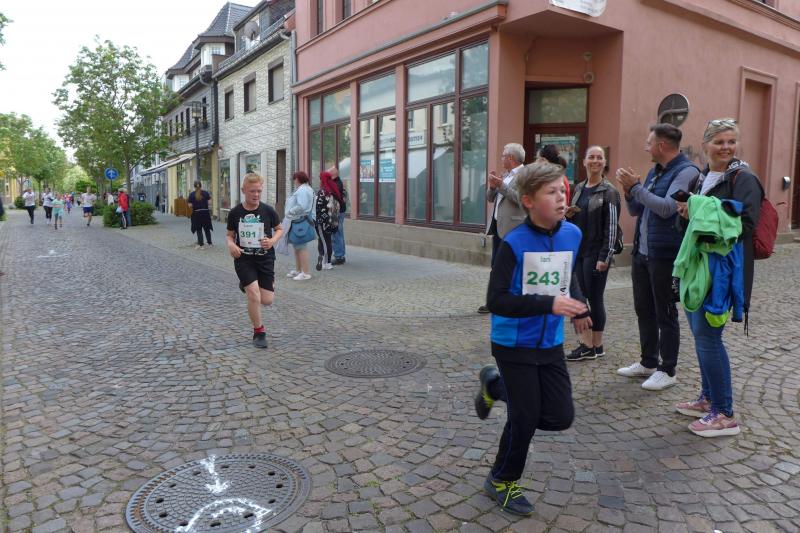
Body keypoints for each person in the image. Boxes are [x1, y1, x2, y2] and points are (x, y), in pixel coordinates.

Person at [473, 162, 591, 516]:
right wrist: (549, 303)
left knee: (560, 415)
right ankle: (501, 480)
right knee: (524, 418)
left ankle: (494, 387)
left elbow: (568, 276)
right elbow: (497, 300)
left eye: (562, 190)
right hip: (513, 343)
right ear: (528, 201)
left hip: (550, 342)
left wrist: (578, 307)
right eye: (551, 192)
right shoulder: (514, 243)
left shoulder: (573, 234)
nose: (561, 197)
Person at [673, 118, 762, 437]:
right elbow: (693, 224)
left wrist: (698, 210)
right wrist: (687, 212)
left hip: (722, 272)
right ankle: (708, 398)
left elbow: (746, 224)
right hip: (699, 268)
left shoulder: (744, 178)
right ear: (705, 144)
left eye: (731, 141)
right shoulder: (702, 177)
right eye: (719, 141)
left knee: (709, 337)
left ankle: (724, 414)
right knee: (701, 336)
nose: (726, 147)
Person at [612, 123, 700, 391]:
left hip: (665, 253)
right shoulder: (655, 171)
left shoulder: (686, 171)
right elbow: (637, 209)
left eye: (649, 143)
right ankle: (648, 361)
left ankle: (668, 369)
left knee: (665, 312)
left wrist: (636, 187)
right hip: (643, 252)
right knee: (644, 309)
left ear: (661, 145)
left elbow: (666, 208)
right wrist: (629, 191)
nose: (646, 148)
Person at [565, 146, 621, 361]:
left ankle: (594, 344)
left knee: (595, 298)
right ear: (584, 161)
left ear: (604, 163)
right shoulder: (579, 188)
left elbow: (612, 227)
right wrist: (568, 214)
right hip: (578, 251)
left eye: (599, 157)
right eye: (591, 157)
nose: (595, 161)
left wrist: (605, 257)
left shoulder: (609, 191)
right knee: (578, 297)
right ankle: (590, 345)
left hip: (596, 253)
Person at [226, 173, 283, 349]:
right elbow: (229, 235)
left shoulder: (268, 211)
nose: (256, 195)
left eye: (259, 191)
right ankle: (259, 332)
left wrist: (272, 241)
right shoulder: (235, 213)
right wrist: (231, 245)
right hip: (243, 258)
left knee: (267, 300)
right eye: (252, 191)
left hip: (265, 258)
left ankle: (248, 285)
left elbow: (279, 229)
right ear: (243, 190)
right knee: (253, 294)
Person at [479, 143, 527, 314]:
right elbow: (491, 198)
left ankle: (510, 299)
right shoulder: (505, 175)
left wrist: (502, 186)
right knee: (495, 266)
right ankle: (492, 301)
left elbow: (522, 199)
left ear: (511, 158)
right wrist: (492, 186)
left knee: (511, 266)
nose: (501, 159)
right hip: (498, 227)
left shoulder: (525, 175)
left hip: (513, 228)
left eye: (503, 156)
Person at [284, 171, 315, 280]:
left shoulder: (303, 190)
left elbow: (302, 206)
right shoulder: (305, 189)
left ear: (297, 179)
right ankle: (298, 270)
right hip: (299, 219)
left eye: (294, 179)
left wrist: (290, 211)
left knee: (301, 247)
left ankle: (305, 273)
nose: (294, 181)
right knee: (297, 246)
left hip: (300, 220)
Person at [315, 171, 341, 271]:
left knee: (323, 241)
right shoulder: (334, 190)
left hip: (323, 222)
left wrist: (319, 220)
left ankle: (325, 261)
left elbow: (318, 207)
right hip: (332, 221)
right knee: (327, 240)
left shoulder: (322, 192)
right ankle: (327, 261)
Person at [329, 166, 348, 265]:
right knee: (338, 233)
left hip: (338, 211)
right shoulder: (337, 183)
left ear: (333, 174)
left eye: (329, 173)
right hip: (339, 211)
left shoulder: (337, 184)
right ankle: (340, 255)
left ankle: (339, 256)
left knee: (336, 233)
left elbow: (333, 196)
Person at [188, 181, 213, 249]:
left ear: (194, 186)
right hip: (205, 213)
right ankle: (210, 243)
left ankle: (201, 244)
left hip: (197, 213)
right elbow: (210, 202)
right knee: (207, 228)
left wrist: (194, 204)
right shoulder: (205, 193)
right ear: (201, 186)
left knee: (199, 229)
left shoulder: (192, 194)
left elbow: (190, 205)